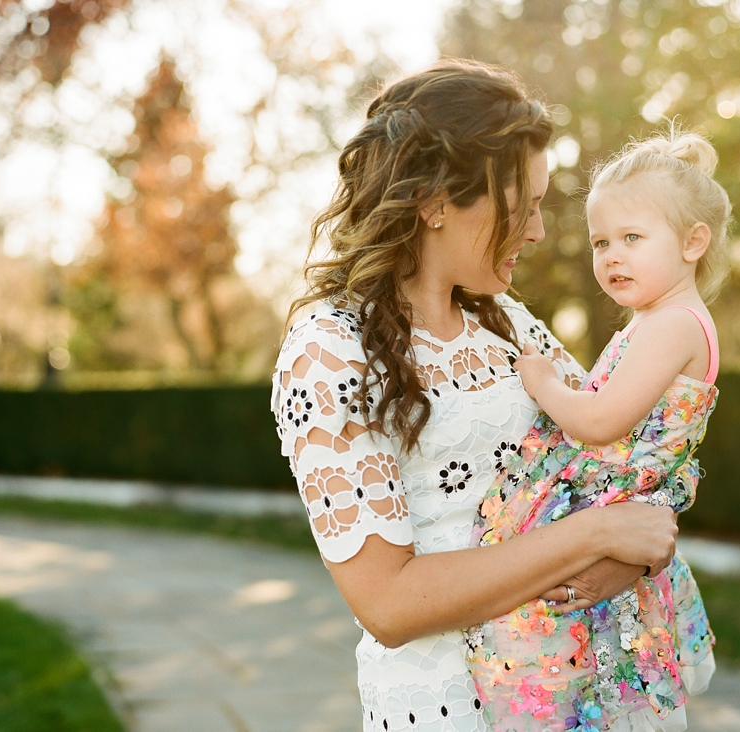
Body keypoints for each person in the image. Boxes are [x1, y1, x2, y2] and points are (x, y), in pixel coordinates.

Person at [270, 58, 680, 732]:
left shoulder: (508, 321)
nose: (541, 231)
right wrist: (596, 535)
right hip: (448, 710)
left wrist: (623, 559)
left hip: (571, 695)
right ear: (434, 203)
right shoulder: (330, 349)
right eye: (525, 207)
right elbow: (390, 604)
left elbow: (615, 457)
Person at [467, 128, 731, 732]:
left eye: (633, 238)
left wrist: (543, 383)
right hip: (614, 502)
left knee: (582, 666)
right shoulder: (658, 320)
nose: (612, 256)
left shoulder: (672, 326)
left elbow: (599, 422)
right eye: (600, 242)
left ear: (693, 242)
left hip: (609, 502)